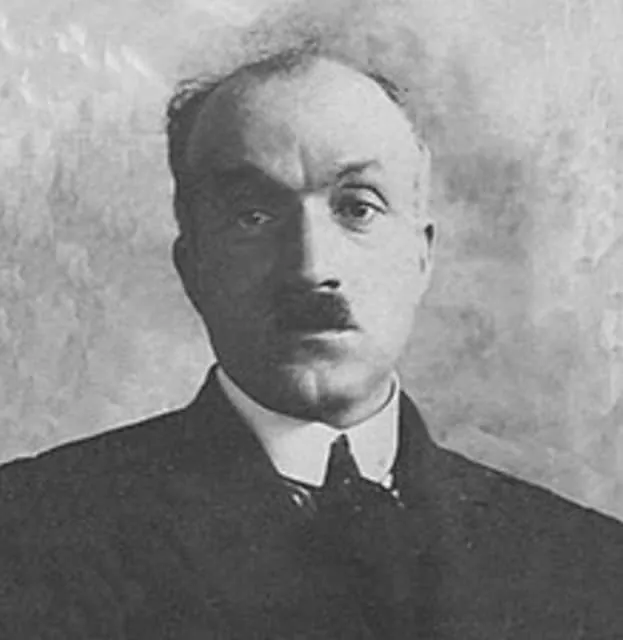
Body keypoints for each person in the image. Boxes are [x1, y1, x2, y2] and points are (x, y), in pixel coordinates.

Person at [1, 47, 622, 640]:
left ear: (421, 256)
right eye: (252, 216)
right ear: (193, 268)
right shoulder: (29, 535)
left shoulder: (589, 566)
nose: (311, 267)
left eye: (358, 208)